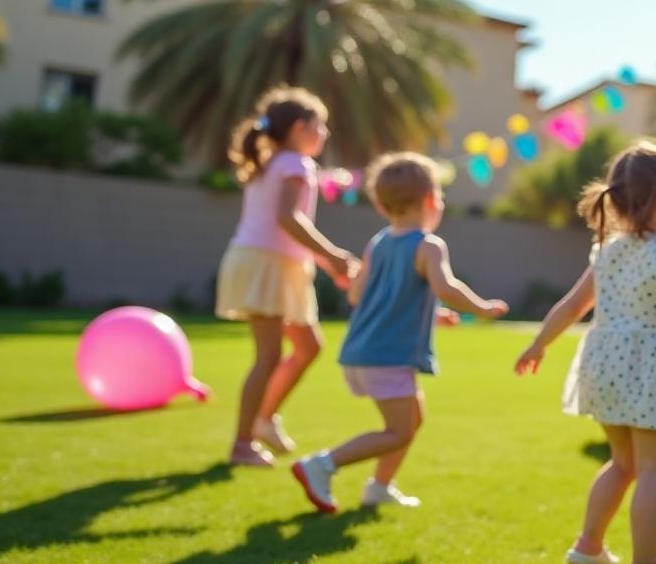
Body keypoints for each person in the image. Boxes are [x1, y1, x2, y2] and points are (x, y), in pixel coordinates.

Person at [514, 141, 656, 564]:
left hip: (604, 367)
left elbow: (574, 305)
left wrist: (540, 343)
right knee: (654, 468)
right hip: (649, 369)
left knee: (622, 462)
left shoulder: (608, 250)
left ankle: (589, 545)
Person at [291, 152, 508, 512]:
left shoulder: (378, 243)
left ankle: (379, 486)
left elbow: (359, 294)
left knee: (412, 420)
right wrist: (482, 307)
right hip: (387, 357)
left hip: (361, 353)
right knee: (398, 431)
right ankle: (321, 465)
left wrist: (432, 315)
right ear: (429, 200)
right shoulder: (428, 245)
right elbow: (446, 287)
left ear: (380, 204)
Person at [215, 86, 358, 467]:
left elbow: (291, 231)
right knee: (269, 355)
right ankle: (243, 444)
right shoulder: (295, 164)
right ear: (299, 128)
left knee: (308, 346)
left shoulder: (275, 162)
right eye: (320, 125)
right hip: (267, 264)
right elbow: (288, 219)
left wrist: (330, 266)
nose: (325, 133)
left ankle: (264, 419)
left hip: (273, 262)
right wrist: (335, 255)